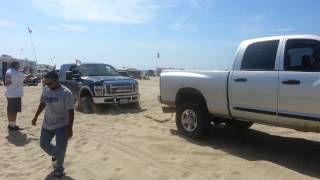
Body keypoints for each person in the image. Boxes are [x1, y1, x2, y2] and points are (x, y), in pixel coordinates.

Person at [31, 71, 74, 178]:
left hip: (62, 125)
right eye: (46, 83)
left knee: (61, 148)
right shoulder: (46, 89)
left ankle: (59, 169)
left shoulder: (66, 93)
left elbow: (71, 111)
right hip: (48, 123)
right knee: (43, 144)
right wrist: (35, 116)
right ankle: (56, 154)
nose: (48, 85)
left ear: (57, 81)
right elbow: (42, 103)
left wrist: (70, 128)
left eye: (50, 83)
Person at [4, 61, 30, 131]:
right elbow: (27, 78)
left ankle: (10, 124)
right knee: (14, 111)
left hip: (8, 94)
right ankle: (13, 126)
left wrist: (23, 70)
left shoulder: (8, 71)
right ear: (15, 66)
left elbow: (16, 72)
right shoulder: (17, 74)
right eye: (18, 66)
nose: (19, 67)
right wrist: (29, 73)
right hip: (15, 95)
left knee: (9, 110)